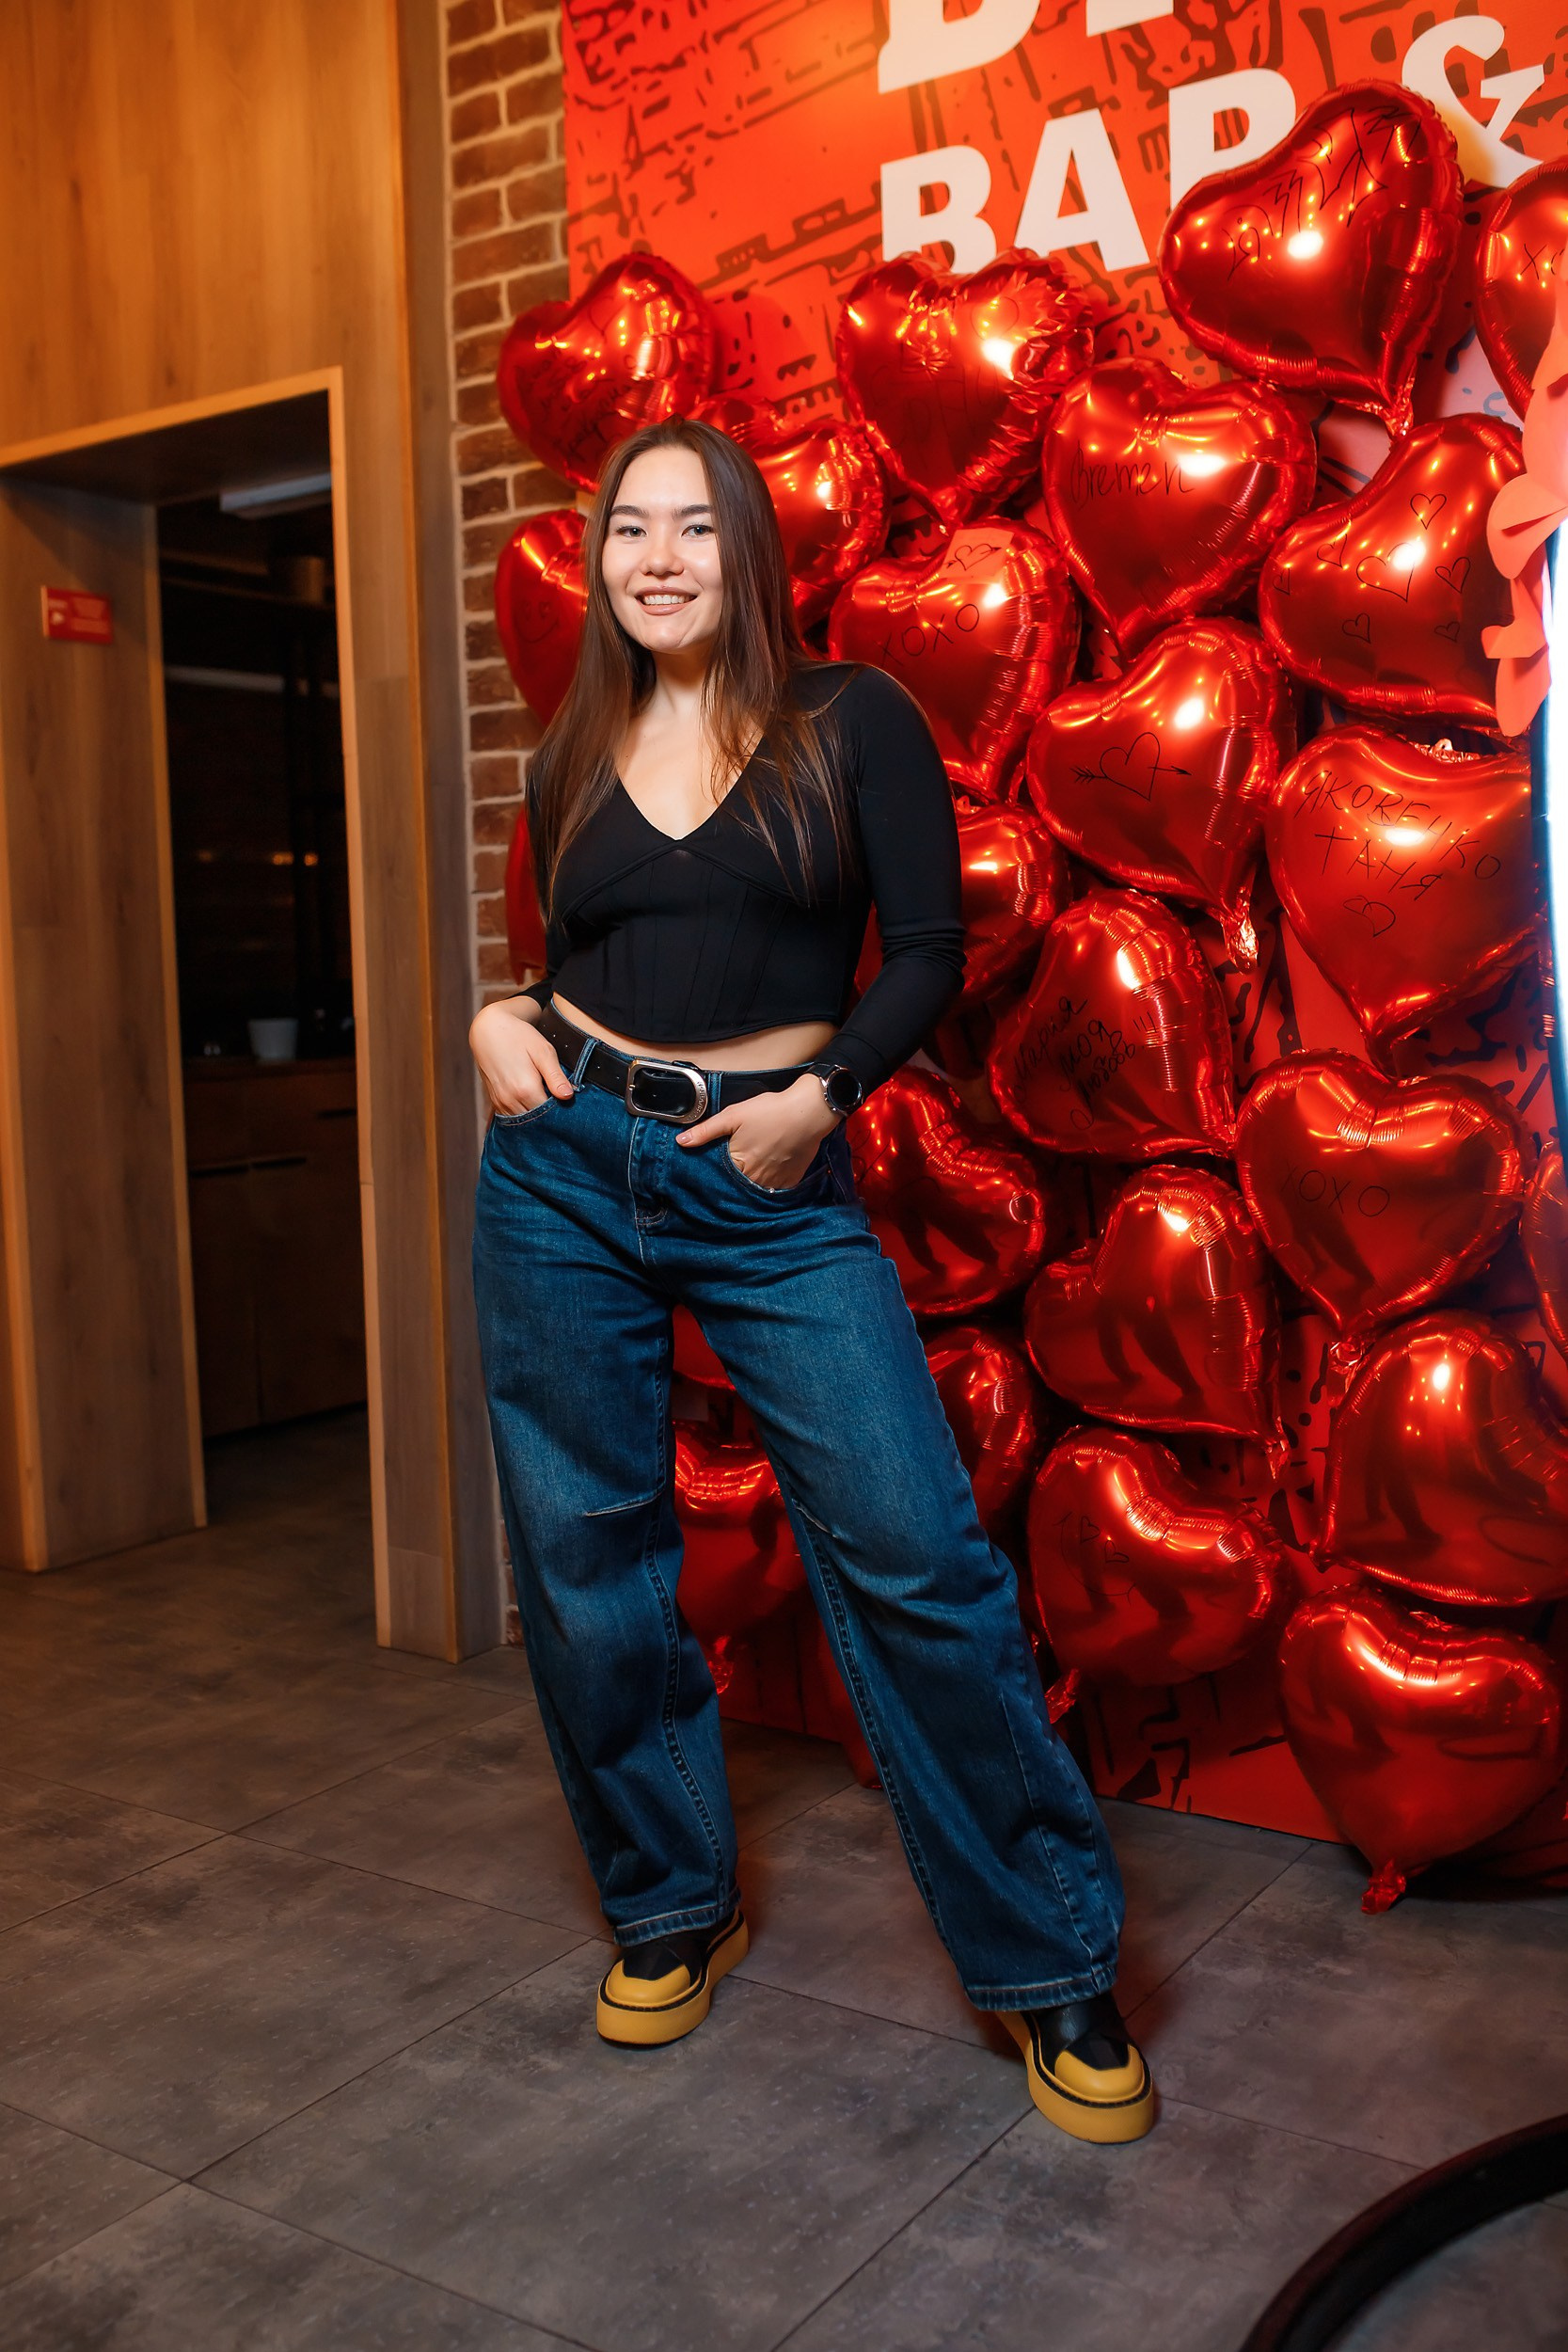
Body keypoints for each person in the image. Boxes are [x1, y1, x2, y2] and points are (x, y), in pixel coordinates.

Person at [467, 416, 1154, 2146]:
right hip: (562, 1172)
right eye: (631, 529)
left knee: (919, 1557)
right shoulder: (570, 751)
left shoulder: (852, 718)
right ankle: (668, 1906)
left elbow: (927, 950)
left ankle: (1050, 1961)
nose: (661, 558)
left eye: (697, 527)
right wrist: (494, 1017)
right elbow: (560, 969)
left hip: (768, 1178)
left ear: (749, 552)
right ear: (602, 560)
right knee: (586, 1560)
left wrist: (824, 1099)